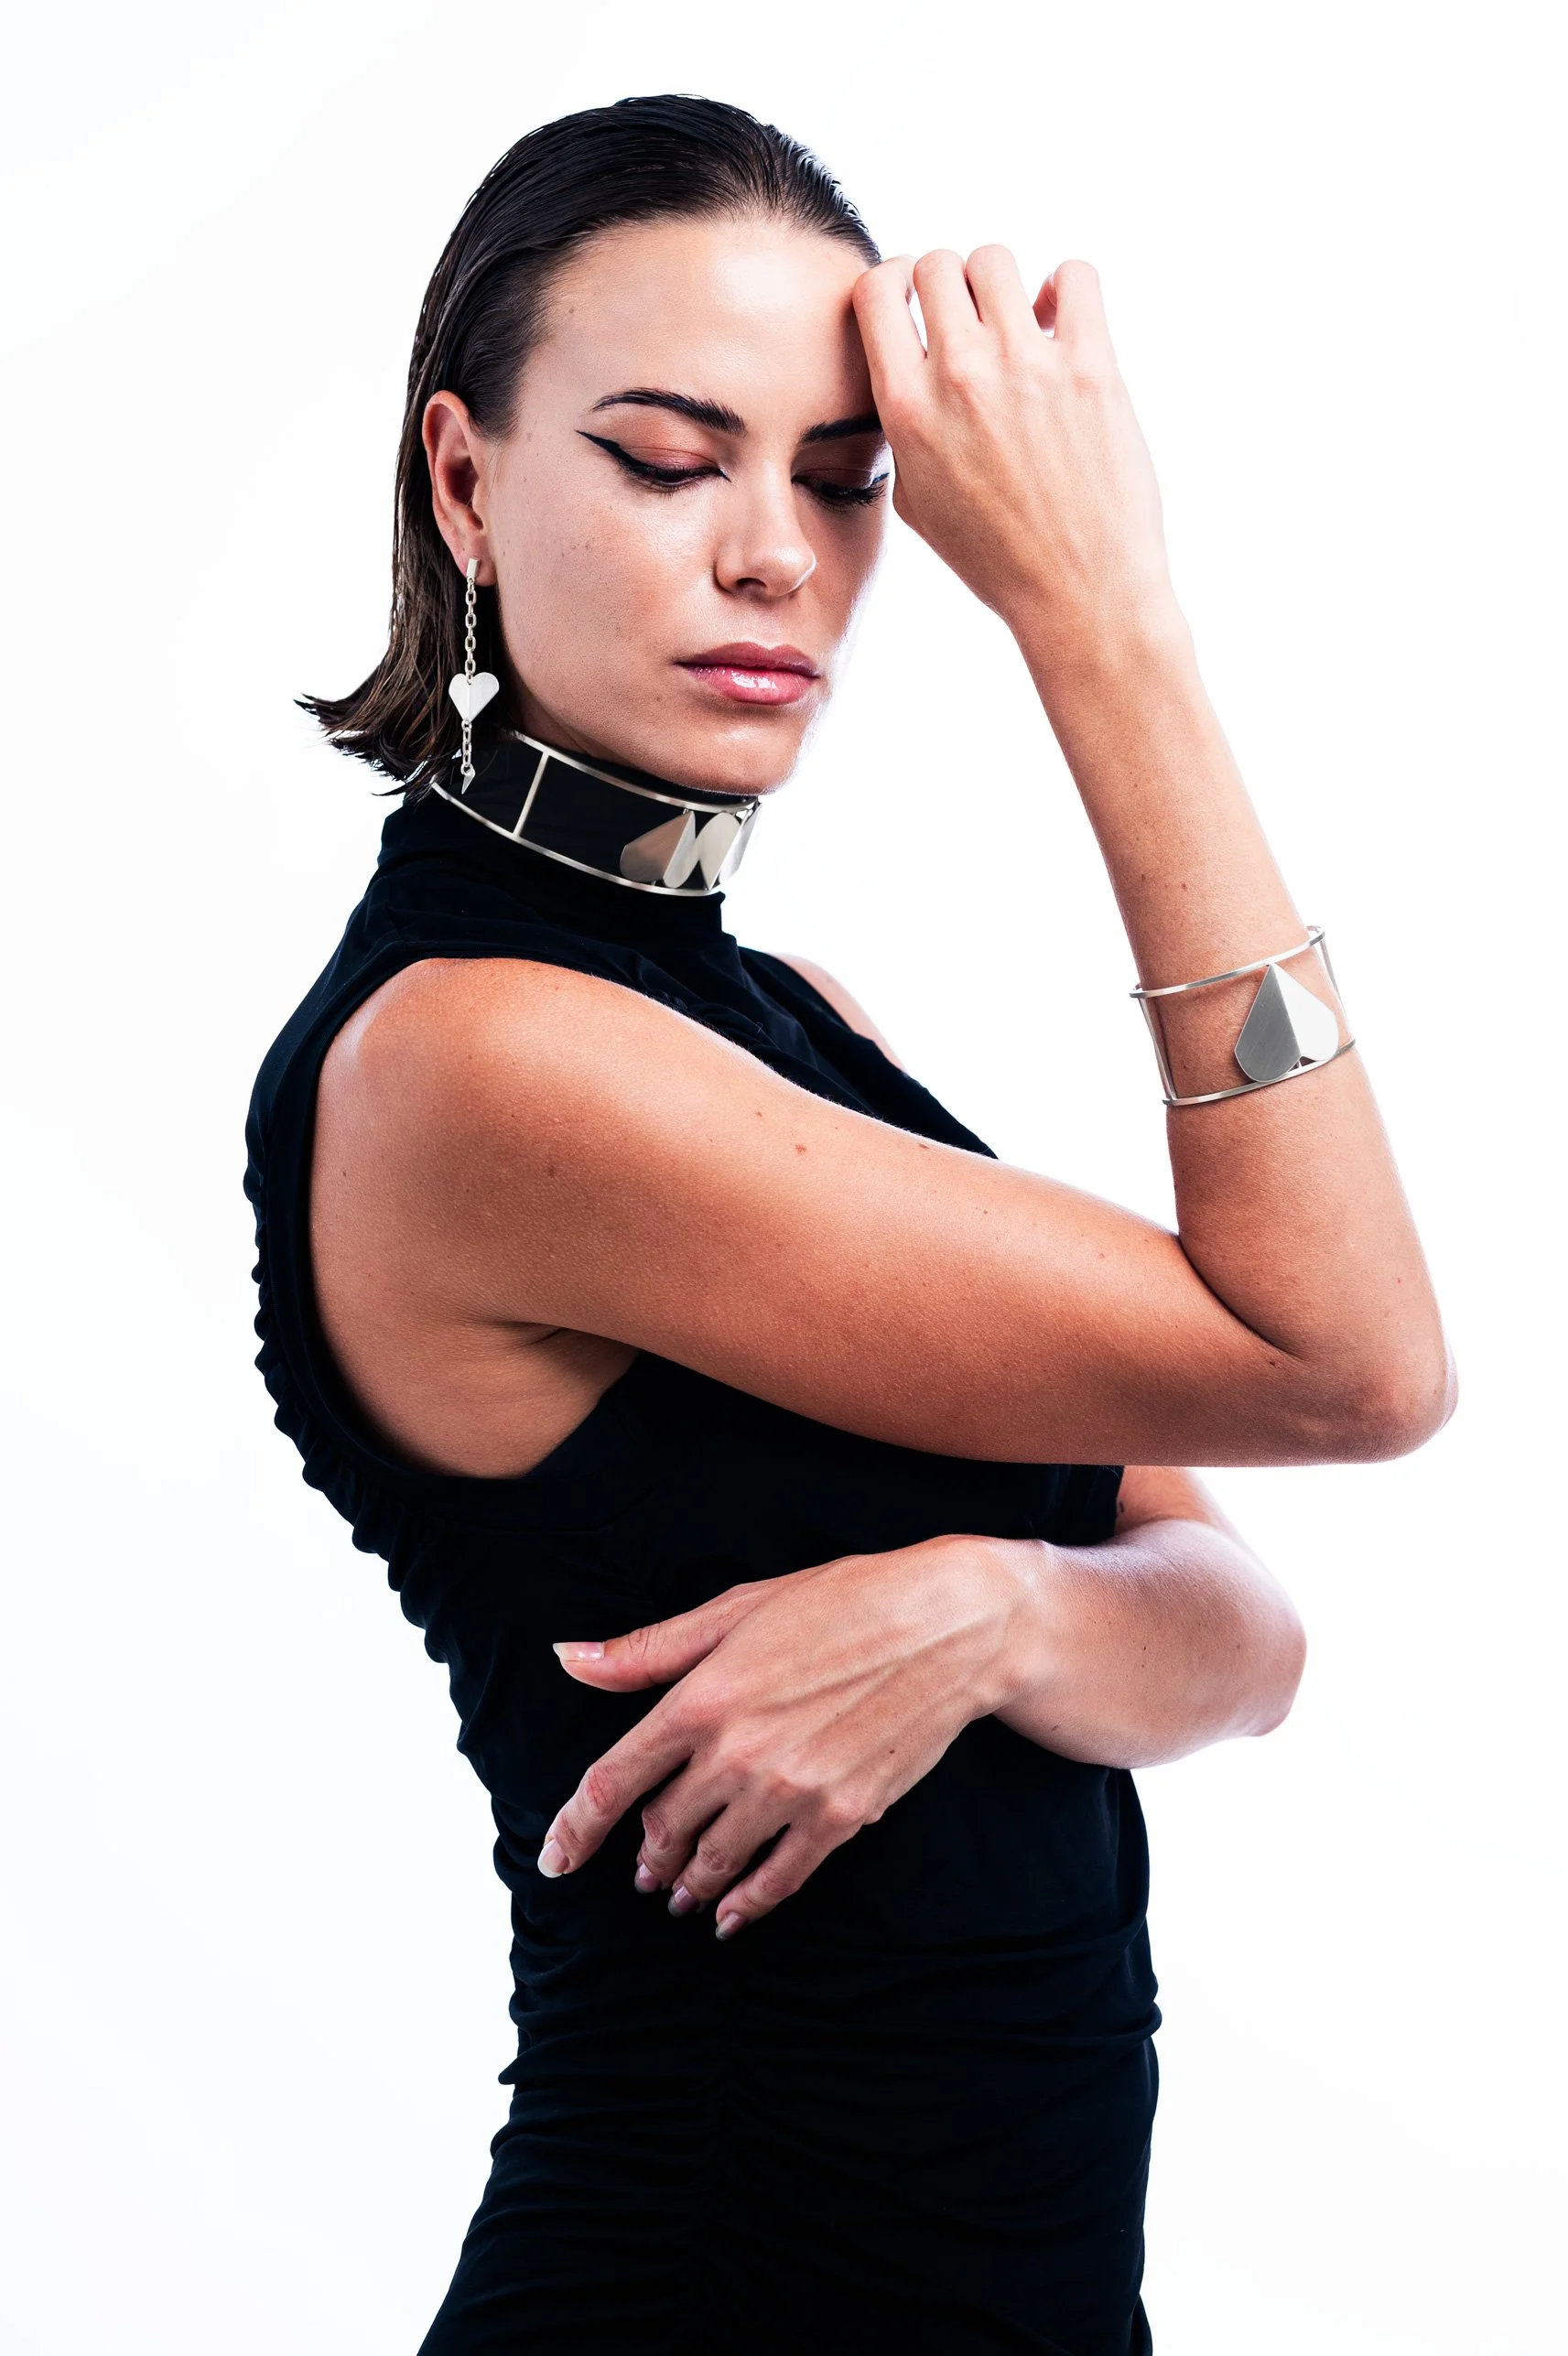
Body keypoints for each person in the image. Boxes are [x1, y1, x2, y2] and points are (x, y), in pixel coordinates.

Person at [245, 92, 1451, 2355]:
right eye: (668, 455)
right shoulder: (480, 1066)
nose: (775, 554)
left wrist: (989, 1614)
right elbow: (1347, 1365)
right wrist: (1105, 620)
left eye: (839, 472)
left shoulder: (784, 1022)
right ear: (464, 479)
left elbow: (1239, 1630)